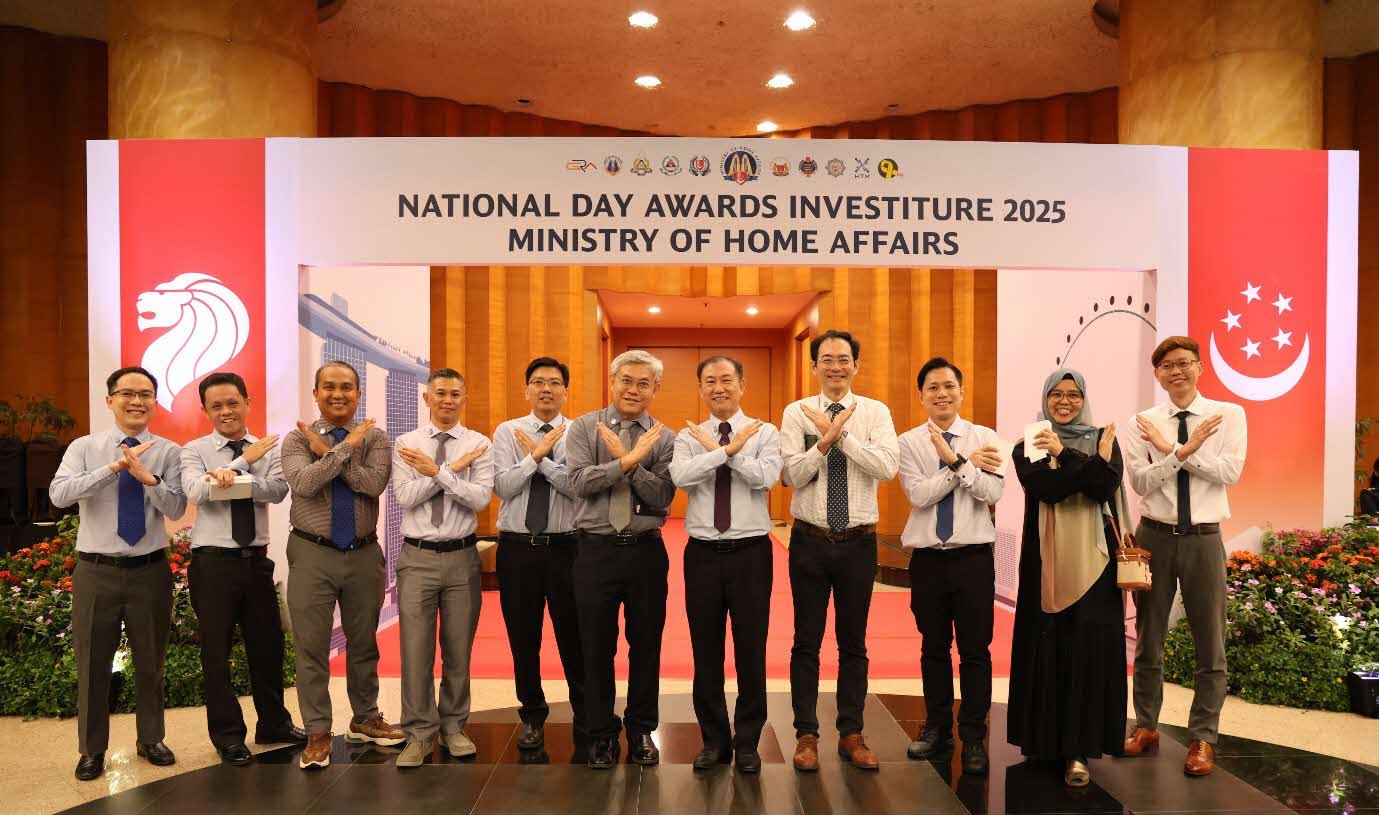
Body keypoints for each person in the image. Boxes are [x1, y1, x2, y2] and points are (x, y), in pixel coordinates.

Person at [51, 366, 187, 781]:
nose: (137, 401)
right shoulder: (85, 447)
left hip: (149, 569)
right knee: (93, 664)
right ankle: (92, 749)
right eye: (127, 393)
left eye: (146, 394)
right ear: (110, 400)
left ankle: (151, 739)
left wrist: (148, 479)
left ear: (154, 402)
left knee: (151, 661)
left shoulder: (168, 451)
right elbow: (59, 495)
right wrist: (112, 469)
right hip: (97, 570)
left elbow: (177, 509)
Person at [1122, 336, 1247, 777]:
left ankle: (1202, 738)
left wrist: (1175, 451)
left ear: (1199, 367)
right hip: (1152, 537)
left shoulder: (1228, 415)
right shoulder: (1142, 422)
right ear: (1157, 374)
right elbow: (1140, 483)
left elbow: (1229, 472)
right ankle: (1147, 725)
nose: (1176, 372)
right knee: (1148, 637)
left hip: (1204, 539)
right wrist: (1188, 451)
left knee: (1209, 642)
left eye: (1184, 363)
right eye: (1167, 366)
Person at [780, 330, 899, 772]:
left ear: (856, 365)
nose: (835, 366)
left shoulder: (875, 412)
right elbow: (791, 475)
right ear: (814, 366)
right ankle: (806, 734)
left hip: (857, 543)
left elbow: (887, 468)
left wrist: (840, 435)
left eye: (843, 358)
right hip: (809, 540)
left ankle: (851, 731)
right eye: (826, 359)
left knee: (854, 643)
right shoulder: (796, 412)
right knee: (805, 643)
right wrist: (823, 441)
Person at [1007, 368, 1129, 787]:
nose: (1064, 401)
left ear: (1083, 398)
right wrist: (1084, 462)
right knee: (1049, 647)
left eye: (1073, 395)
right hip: (1045, 562)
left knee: (1086, 650)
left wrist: (1071, 455)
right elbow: (1047, 488)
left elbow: (1105, 487)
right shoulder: (1030, 443)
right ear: (1045, 398)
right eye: (1056, 394)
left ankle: (1079, 750)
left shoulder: (1104, 439)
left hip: (1097, 564)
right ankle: (1044, 743)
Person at [281, 360, 405, 770]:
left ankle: (365, 716)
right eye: (330, 387)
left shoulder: (378, 438)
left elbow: (373, 486)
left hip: (363, 552)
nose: (339, 394)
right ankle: (317, 730)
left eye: (348, 387)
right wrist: (346, 448)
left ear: (358, 394)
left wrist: (332, 454)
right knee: (312, 646)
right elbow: (303, 484)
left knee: (364, 642)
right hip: (312, 551)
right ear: (315, 393)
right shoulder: (297, 439)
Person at [181, 372, 305, 766]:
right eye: (216, 406)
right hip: (212, 563)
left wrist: (232, 476)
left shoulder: (267, 447)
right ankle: (229, 736)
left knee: (266, 647)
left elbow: (278, 490)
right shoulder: (194, 449)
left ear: (247, 402)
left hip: (255, 561)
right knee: (216, 655)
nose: (226, 411)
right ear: (205, 411)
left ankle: (273, 724)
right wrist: (243, 464)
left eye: (233, 402)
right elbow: (197, 493)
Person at [669, 355, 783, 774]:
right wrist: (728, 452)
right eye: (710, 381)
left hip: (751, 553)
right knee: (706, 651)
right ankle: (714, 740)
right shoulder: (687, 435)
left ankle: (749, 741)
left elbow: (765, 478)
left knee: (751, 649)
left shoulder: (767, 432)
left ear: (742, 384)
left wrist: (723, 453)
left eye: (726, 380)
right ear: (701, 388)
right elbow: (681, 477)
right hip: (701, 554)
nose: (719, 387)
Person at [566, 350, 676, 769]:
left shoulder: (664, 438)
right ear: (612, 381)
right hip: (594, 550)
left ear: (655, 389)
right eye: (626, 380)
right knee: (596, 646)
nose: (633, 389)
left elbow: (663, 496)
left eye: (643, 383)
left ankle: (641, 729)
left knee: (646, 645)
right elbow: (578, 483)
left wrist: (625, 467)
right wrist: (629, 460)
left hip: (646, 553)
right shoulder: (583, 427)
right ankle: (601, 734)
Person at [897, 357, 1004, 775]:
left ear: (961, 391)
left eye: (949, 386)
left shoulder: (986, 436)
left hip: (973, 558)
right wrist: (961, 464)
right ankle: (937, 727)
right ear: (921, 395)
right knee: (933, 647)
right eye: (933, 388)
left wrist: (957, 461)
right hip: (928, 560)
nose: (942, 394)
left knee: (976, 650)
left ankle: (974, 736)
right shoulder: (909, 442)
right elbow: (919, 496)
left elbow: (992, 491)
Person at [391, 369, 494, 767]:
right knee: (415, 649)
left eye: (455, 394)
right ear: (426, 398)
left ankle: (453, 726)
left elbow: (479, 499)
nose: (447, 400)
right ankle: (418, 732)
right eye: (440, 393)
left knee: (457, 648)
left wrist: (435, 472)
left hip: (462, 557)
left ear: (464, 398)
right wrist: (451, 472)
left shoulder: (478, 444)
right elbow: (405, 497)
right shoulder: (406, 443)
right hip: (417, 557)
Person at [491, 357, 584, 752]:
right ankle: (532, 715)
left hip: (567, 548)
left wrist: (540, 458)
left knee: (574, 636)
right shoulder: (507, 431)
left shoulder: (579, 432)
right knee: (523, 638)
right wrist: (535, 457)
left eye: (555, 382)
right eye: (538, 382)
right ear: (526, 389)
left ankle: (586, 711)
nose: (546, 389)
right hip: (517, 550)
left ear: (565, 390)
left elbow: (579, 487)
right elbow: (503, 486)